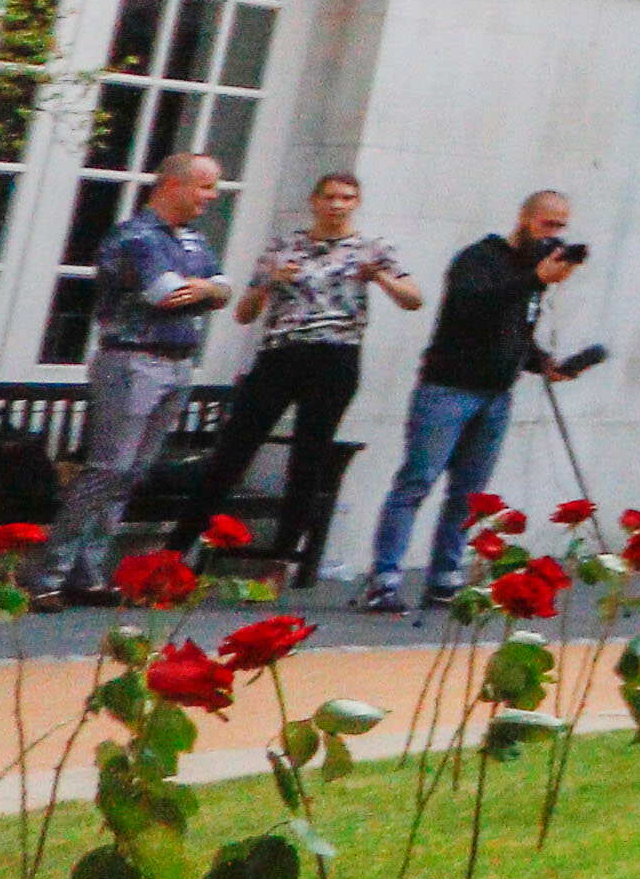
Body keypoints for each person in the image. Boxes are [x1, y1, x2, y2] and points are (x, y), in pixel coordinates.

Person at [364, 193, 602, 610]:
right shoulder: (479, 259)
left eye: (561, 227)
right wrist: (534, 282)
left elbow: (513, 330)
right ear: (524, 220)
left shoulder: (533, 274)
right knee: (417, 481)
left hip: (495, 394)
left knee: (470, 493)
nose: (554, 235)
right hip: (448, 388)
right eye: (547, 225)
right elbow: (470, 309)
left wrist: (543, 363)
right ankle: (384, 577)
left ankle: (445, 576)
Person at [42, 154, 230, 600]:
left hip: (179, 363)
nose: (212, 196)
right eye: (205, 185)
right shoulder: (135, 238)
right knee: (108, 467)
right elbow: (165, 295)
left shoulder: (193, 241)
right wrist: (206, 289)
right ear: (173, 185)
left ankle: (89, 573)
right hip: (132, 362)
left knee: (133, 473)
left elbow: (222, 289)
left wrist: (205, 289)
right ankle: (49, 574)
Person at [194, 171, 399, 535]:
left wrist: (378, 276)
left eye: (347, 198)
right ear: (314, 201)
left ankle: (283, 553)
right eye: (330, 197)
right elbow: (244, 314)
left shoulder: (371, 249)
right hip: (282, 353)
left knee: (310, 454)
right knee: (236, 447)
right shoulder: (283, 247)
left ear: (357, 203)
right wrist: (272, 282)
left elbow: (412, 299)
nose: (337, 205)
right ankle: (182, 544)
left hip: (336, 355)